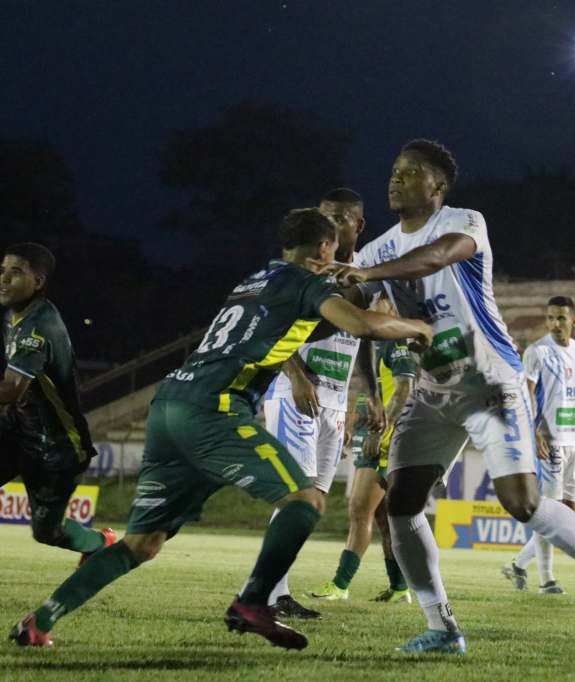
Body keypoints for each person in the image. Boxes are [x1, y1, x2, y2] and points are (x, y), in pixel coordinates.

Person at [10, 209, 432, 650]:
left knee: (142, 542)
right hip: (214, 408)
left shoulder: (253, 281)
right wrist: (415, 327)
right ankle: (252, 603)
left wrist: (348, 289)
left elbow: (300, 326)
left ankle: (39, 621)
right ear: (325, 248)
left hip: (170, 405)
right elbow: (361, 326)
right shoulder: (306, 283)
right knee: (305, 501)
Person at [335, 138, 575, 654]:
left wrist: (368, 274)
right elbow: (354, 308)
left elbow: (433, 258)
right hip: (432, 392)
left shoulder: (464, 221)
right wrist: (321, 284)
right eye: (394, 170)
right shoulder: (375, 248)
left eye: (410, 173)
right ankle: (442, 626)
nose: (396, 179)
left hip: (489, 380)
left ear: (438, 186)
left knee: (520, 502)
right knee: (400, 505)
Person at [257, 188, 368, 619]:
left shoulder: (363, 274)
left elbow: (365, 337)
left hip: (336, 400)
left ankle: (275, 591)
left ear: (357, 226)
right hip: (296, 392)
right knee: (295, 498)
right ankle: (267, 594)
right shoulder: (304, 271)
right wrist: (297, 377)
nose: (330, 227)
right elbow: (269, 325)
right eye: (324, 218)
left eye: (339, 218)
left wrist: (366, 397)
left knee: (313, 503)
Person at [0, 243, 116, 564]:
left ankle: (98, 544)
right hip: (17, 430)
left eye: (16, 272)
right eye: (2, 270)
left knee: (46, 532)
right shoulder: (13, 316)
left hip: (58, 446)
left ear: (38, 282)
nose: (4, 279)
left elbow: (11, 389)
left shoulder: (39, 322)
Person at [310, 332, 417, 604]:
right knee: (382, 518)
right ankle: (399, 587)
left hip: (386, 441)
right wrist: (351, 425)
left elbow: (404, 389)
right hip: (372, 433)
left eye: (376, 298)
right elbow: (371, 391)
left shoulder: (396, 342)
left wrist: (382, 433)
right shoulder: (372, 343)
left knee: (359, 510)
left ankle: (340, 584)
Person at [503, 295, 575, 594]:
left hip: (572, 443)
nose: (555, 324)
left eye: (560, 318)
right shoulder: (537, 352)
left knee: (570, 516)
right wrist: (534, 433)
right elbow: (525, 394)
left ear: (574, 321)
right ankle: (547, 580)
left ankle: (519, 564)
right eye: (550, 318)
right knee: (550, 514)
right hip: (550, 443)